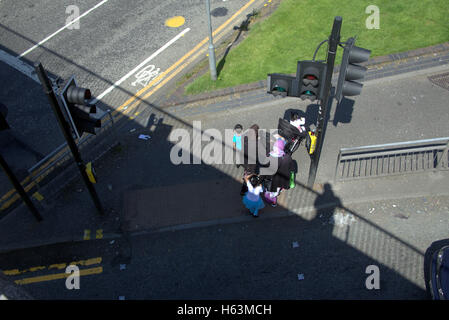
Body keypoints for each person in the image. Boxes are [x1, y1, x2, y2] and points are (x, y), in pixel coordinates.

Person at [263, 138, 295, 207]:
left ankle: (267, 195)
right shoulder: (286, 158)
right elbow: (290, 169)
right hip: (279, 180)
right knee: (275, 191)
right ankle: (273, 201)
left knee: (268, 188)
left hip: (269, 178)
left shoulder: (268, 155)